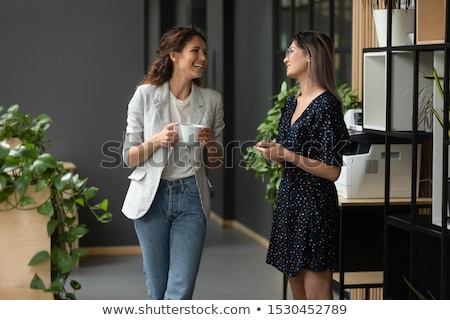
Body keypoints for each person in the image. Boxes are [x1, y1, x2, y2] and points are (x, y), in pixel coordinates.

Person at [121, 26, 225, 300]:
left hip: (192, 197)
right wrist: (157, 140)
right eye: (195, 51)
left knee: (180, 291)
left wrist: (209, 142)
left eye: (204, 51)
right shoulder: (145, 95)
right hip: (151, 199)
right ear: (175, 56)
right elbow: (128, 157)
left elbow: (215, 160)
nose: (202, 56)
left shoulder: (212, 100)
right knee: (157, 290)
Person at [254, 30, 349, 300]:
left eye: (291, 51)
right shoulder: (290, 103)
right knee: (298, 296)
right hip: (290, 201)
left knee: (316, 297)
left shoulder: (327, 106)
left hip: (315, 206)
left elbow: (332, 170)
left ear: (309, 56)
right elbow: (289, 155)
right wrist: (275, 154)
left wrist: (287, 154)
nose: (285, 59)